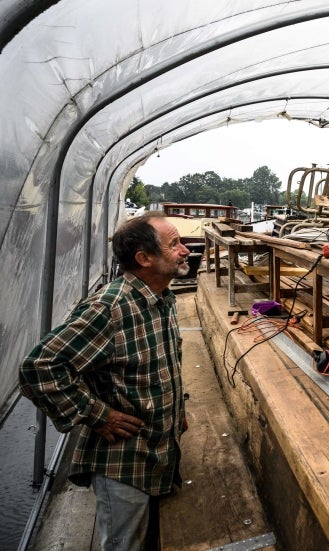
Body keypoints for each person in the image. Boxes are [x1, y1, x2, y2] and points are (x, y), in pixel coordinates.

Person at [19, 212, 191, 550]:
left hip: (157, 449)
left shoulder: (161, 300)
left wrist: (174, 414)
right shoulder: (110, 307)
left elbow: (156, 367)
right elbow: (39, 367)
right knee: (123, 543)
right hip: (124, 460)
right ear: (144, 259)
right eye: (174, 245)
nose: (185, 250)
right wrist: (99, 415)